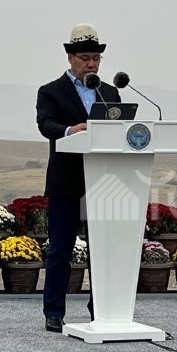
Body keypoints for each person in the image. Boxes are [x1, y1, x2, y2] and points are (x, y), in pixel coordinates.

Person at [36, 24, 121, 333]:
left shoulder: (109, 93)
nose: (92, 64)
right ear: (70, 58)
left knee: (102, 251)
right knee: (60, 249)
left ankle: (101, 310)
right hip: (66, 182)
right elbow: (45, 125)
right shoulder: (51, 91)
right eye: (85, 58)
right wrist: (71, 130)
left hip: (103, 183)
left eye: (96, 59)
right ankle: (54, 311)